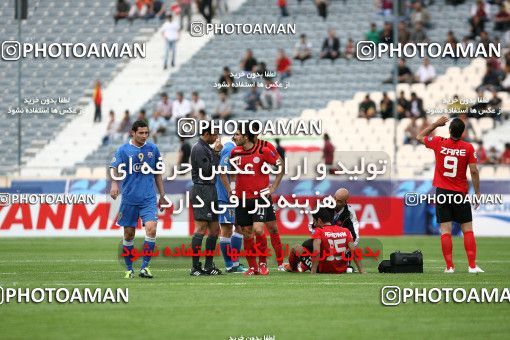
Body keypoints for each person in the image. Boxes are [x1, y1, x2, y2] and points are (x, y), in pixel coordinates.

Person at [416, 116, 483, 274]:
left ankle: (449, 267)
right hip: (459, 193)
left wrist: (435, 124)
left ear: (450, 130)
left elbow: (419, 137)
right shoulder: (468, 148)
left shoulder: (439, 142)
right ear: (463, 132)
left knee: (445, 230)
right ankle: (472, 266)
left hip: (442, 192)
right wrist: (478, 192)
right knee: (467, 230)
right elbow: (473, 171)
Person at [109, 120, 167, 279]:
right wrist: (114, 183)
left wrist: (162, 195)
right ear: (133, 133)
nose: (144, 136)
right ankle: (129, 269)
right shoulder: (123, 150)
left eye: (146, 133)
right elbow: (114, 167)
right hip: (129, 198)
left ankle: (145, 267)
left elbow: (158, 173)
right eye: (141, 133)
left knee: (152, 229)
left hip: (148, 198)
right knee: (129, 234)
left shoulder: (153, 149)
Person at [231, 123, 283, 276]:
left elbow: (280, 167)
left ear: (246, 137)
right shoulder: (235, 152)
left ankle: (263, 264)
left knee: (259, 229)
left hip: (260, 198)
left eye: (237, 134)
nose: (234, 137)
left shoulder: (264, 150)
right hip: (242, 199)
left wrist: (273, 187)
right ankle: (252, 268)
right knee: (247, 233)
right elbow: (231, 171)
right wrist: (233, 188)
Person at [283, 207, 363, 274]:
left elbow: (316, 253)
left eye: (314, 221)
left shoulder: (319, 231)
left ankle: (293, 268)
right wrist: (362, 271)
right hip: (341, 269)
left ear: (319, 220)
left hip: (324, 269)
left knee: (296, 248)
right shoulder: (345, 231)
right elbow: (354, 252)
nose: (314, 224)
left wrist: (313, 272)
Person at [189, 124, 223, 275]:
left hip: (211, 189)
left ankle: (209, 266)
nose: (216, 137)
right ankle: (195, 267)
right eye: (215, 134)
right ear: (207, 133)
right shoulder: (199, 148)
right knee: (201, 228)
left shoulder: (206, 147)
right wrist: (216, 152)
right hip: (202, 189)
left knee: (215, 229)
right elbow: (208, 171)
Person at [216, 140, 247, 273]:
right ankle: (230, 265)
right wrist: (230, 190)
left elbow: (233, 172)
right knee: (227, 229)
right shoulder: (230, 149)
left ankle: (235, 263)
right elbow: (222, 171)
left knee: (239, 228)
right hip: (224, 197)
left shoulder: (236, 151)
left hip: (233, 197)